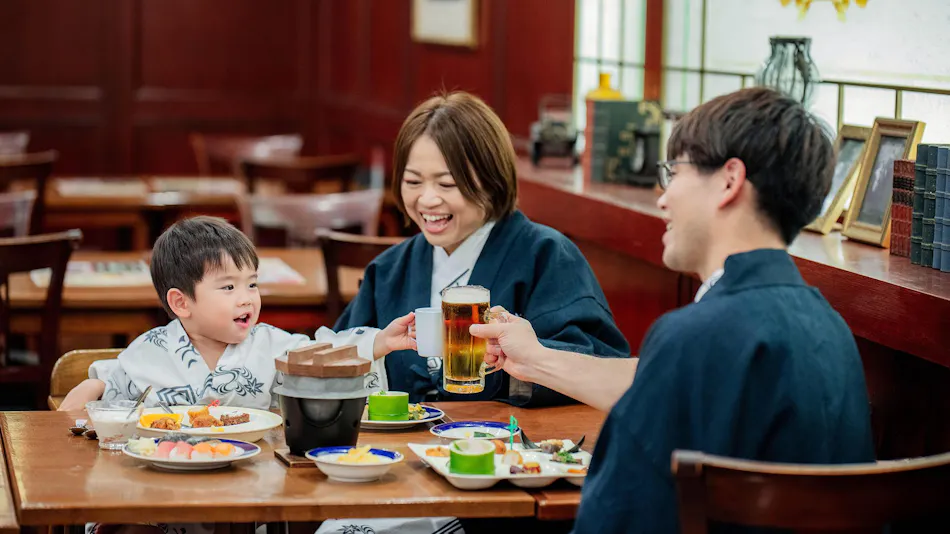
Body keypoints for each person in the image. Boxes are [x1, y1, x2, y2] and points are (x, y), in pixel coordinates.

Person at [469, 87, 876, 533]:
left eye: (674, 172)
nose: (662, 197)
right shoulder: (831, 328)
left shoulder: (693, 335)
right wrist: (534, 359)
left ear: (728, 180)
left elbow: (614, 515)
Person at [333, 90, 630, 406]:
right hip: (400, 450)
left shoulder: (548, 256)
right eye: (413, 181)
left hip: (509, 449)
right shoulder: (390, 269)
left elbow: (602, 368)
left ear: (491, 180)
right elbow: (338, 359)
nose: (427, 199)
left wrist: (521, 362)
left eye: (447, 184)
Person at [59, 216, 415, 411]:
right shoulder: (151, 348)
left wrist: (380, 342)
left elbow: (322, 354)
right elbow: (110, 382)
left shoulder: (271, 344)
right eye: (228, 288)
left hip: (250, 480)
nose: (246, 299)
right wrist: (92, 387)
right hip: (166, 481)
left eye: (252, 284)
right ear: (181, 303)